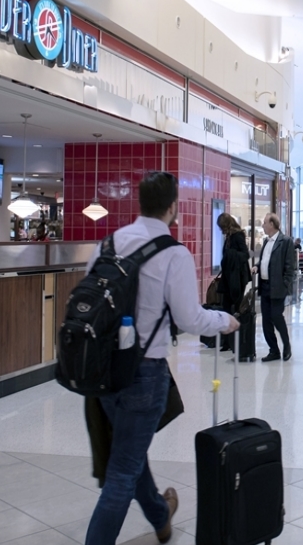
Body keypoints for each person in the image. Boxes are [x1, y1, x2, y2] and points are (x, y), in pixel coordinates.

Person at [84, 172, 240, 545]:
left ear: (140, 202)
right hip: (144, 374)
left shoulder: (107, 244)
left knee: (128, 449)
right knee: (123, 469)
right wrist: (224, 320)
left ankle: (160, 514)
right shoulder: (173, 252)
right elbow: (189, 318)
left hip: (103, 372)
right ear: (173, 207)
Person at [252, 212, 294, 362]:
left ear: (272, 224)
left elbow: (290, 268)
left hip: (278, 287)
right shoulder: (266, 242)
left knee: (277, 317)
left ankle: (287, 345)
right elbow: (265, 261)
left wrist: (285, 284)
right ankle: (274, 350)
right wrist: (257, 266)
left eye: (264, 223)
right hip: (265, 286)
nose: (262, 226)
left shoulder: (286, 241)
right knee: (266, 320)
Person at [217, 213, 251, 355]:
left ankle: (235, 340)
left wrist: (231, 255)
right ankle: (227, 341)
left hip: (237, 278)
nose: (221, 230)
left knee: (235, 308)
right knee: (225, 307)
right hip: (229, 277)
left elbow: (245, 255)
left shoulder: (237, 236)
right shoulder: (229, 237)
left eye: (222, 227)